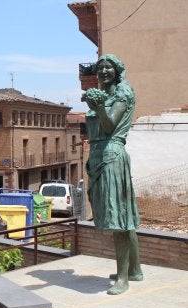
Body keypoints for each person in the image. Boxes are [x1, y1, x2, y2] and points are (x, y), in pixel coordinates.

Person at [82, 54, 143, 295]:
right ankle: (134, 270)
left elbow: (109, 126)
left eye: (109, 67)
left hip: (112, 153)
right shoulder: (104, 94)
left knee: (118, 216)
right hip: (98, 153)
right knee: (123, 216)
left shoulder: (123, 92)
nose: (104, 71)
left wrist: (97, 107)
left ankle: (123, 278)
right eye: (100, 68)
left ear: (117, 70)